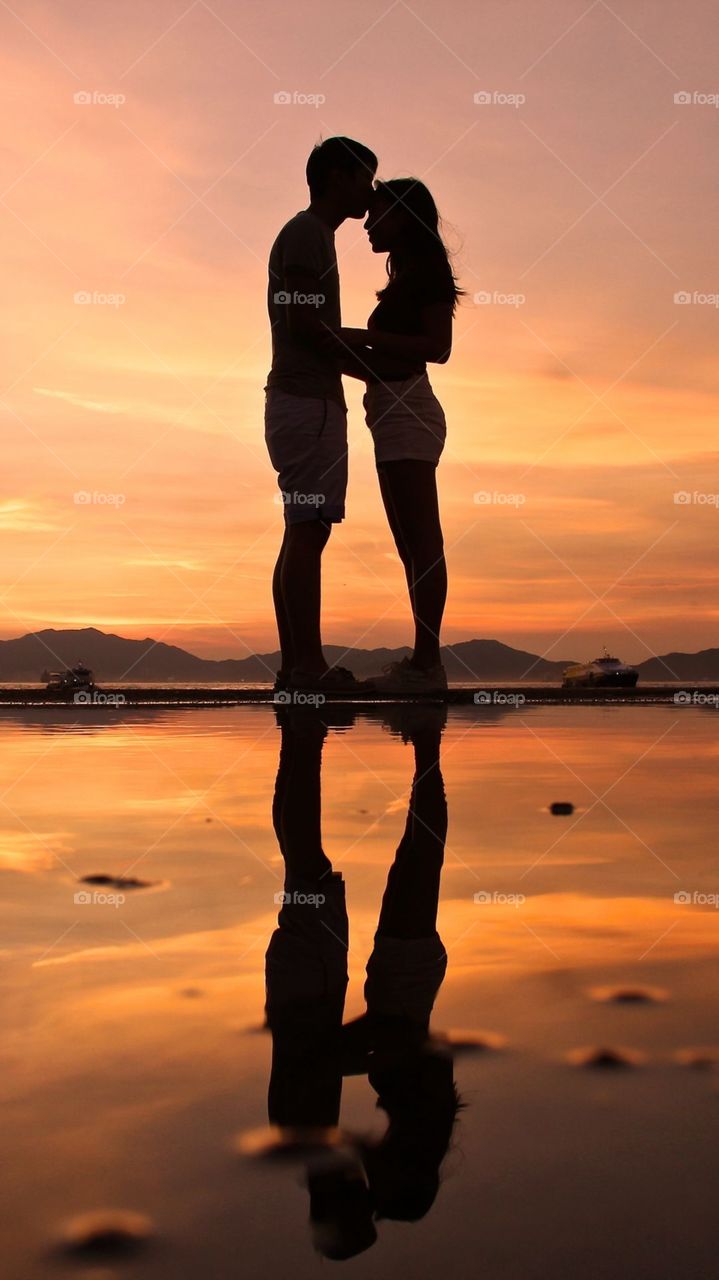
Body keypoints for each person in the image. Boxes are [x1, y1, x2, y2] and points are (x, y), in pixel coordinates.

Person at [338, 179, 463, 694]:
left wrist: (356, 336)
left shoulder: (428, 272)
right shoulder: (409, 276)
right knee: (409, 544)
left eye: (378, 213)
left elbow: (437, 347)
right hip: (392, 412)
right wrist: (332, 344)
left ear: (404, 216)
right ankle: (422, 662)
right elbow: (379, 363)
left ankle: (428, 664)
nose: (367, 223)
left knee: (422, 543)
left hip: (409, 411)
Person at [265, 137, 377, 693]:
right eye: (365, 177)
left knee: (299, 533)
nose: (371, 190)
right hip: (309, 403)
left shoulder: (311, 237)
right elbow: (303, 326)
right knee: (308, 533)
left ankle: (295, 667)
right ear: (336, 176)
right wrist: (371, 367)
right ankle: (307, 668)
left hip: (298, 401)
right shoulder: (308, 234)